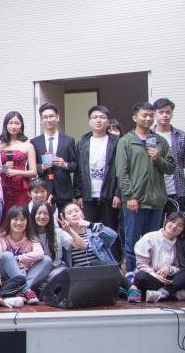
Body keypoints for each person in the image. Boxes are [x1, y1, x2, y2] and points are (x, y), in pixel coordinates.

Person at [116, 102, 175, 272]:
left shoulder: (160, 141)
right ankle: (132, 276)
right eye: (144, 115)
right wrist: (130, 196)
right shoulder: (126, 141)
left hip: (156, 201)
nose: (148, 118)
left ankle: (152, 277)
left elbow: (171, 168)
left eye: (151, 115)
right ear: (135, 117)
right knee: (132, 241)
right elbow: (122, 172)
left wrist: (158, 159)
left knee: (154, 242)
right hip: (135, 201)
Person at [75, 105, 121, 260]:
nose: (98, 120)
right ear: (89, 121)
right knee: (90, 230)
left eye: (102, 117)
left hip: (109, 194)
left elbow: (120, 169)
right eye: (94, 117)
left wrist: (118, 193)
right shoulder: (82, 142)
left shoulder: (116, 142)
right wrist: (78, 194)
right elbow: (79, 169)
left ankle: (114, 263)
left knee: (111, 230)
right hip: (88, 195)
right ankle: (95, 262)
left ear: (108, 121)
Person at [128, 212, 185, 303]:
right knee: (140, 277)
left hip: (169, 279)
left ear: (183, 230)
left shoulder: (179, 244)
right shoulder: (149, 238)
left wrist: (169, 269)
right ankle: (173, 293)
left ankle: (161, 293)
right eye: (172, 221)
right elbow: (142, 265)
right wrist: (155, 275)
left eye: (179, 225)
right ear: (166, 221)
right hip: (151, 276)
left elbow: (179, 266)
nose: (174, 226)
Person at [31, 103, 80, 211]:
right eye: (45, 117)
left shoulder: (68, 140)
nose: (48, 120)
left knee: (65, 218)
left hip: (64, 189)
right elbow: (30, 166)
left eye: (51, 116)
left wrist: (65, 164)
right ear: (41, 120)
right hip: (43, 189)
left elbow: (75, 165)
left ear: (57, 117)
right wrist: (41, 167)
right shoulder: (35, 142)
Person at [0, 205, 48, 304]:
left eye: (22, 219)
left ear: (27, 221)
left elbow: (40, 254)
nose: (19, 223)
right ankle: (26, 290)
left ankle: (20, 291)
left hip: (25, 274)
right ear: (9, 220)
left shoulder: (31, 238)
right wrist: (13, 260)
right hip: (5, 277)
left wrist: (18, 258)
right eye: (15, 219)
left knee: (46, 260)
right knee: (7, 255)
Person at [56, 202, 120, 269]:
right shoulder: (64, 236)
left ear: (83, 215)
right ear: (65, 219)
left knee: (95, 263)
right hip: (80, 273)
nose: (74, 214)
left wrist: (90, 225)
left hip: (101, 270)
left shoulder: (94, 231)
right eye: (69, 213)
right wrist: (68, 229)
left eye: (76, 211)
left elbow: (113, 235)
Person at [152, 98, 185, 213]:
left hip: (176, 188)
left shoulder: (181, 136)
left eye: (168, 112)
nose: (165, 115)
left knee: (177, 220)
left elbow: (182, 158)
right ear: (155, 114)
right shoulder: (148, 135)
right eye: (161, 112)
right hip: (154, 190)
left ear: (172, 113)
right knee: (156, 222)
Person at [0, 111, 37, 214]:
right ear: (5, 125)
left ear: (21, 125)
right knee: (3, 216)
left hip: (21, 187)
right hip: (2, 187)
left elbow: (33, 172)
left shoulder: (28, 146)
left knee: (20, 215)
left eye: (17, 123)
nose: (13, 126)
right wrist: (4, 168)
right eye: (10, 123)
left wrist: (16, 172)